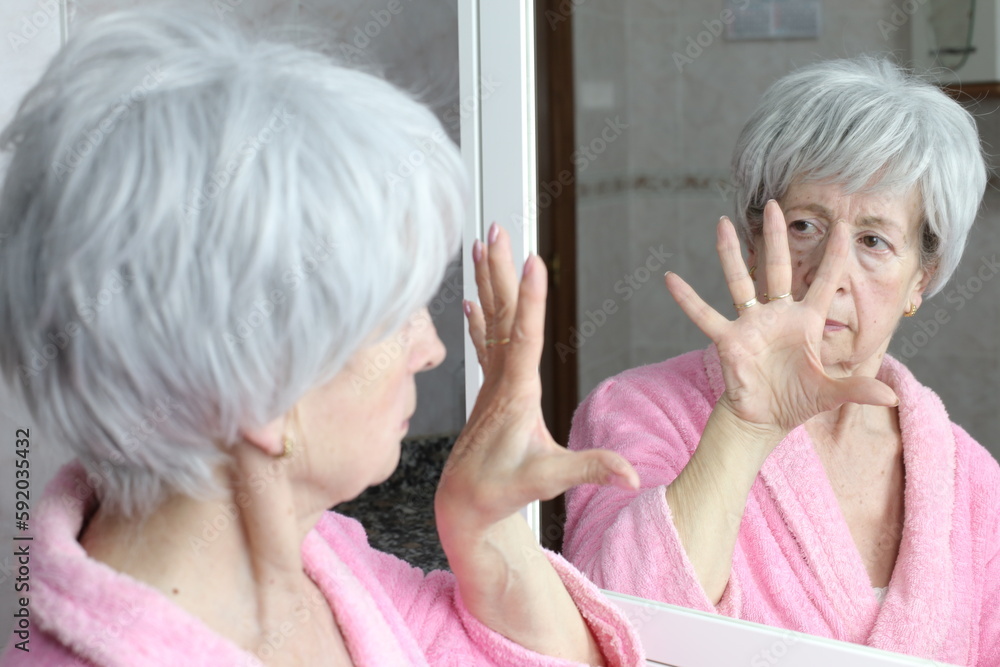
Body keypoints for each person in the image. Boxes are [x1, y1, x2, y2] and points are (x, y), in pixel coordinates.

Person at [0, 7, 644, 666]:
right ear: (258, 388)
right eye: (394, 316)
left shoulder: (322, 561)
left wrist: (484, 521)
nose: (432, 350)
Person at [563, 56, 1000, 665]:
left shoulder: (974, 482)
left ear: (920, 280)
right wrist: (743, 428)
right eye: (803, 227)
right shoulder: (634, 412)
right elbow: (610, 635)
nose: (828, 273)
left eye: (873, 240)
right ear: (753, 243)